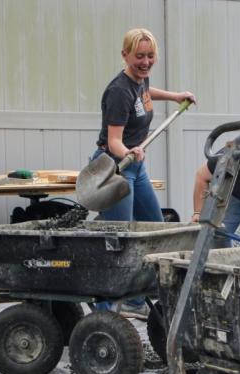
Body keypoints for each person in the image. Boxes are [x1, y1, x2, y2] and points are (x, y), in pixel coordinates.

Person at [93, 27, 195, 318]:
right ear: (125, 54)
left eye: (150, 56)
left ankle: (136, 300)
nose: (146, 62)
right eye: (139, 56)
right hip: (115, 167)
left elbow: (146, 93)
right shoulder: (118, 92)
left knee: (154, 227)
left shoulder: (140, 81)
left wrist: (175, 96)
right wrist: (128, 151)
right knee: (119, 238)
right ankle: (105, 311)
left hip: (135, 166)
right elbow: (114, 141)